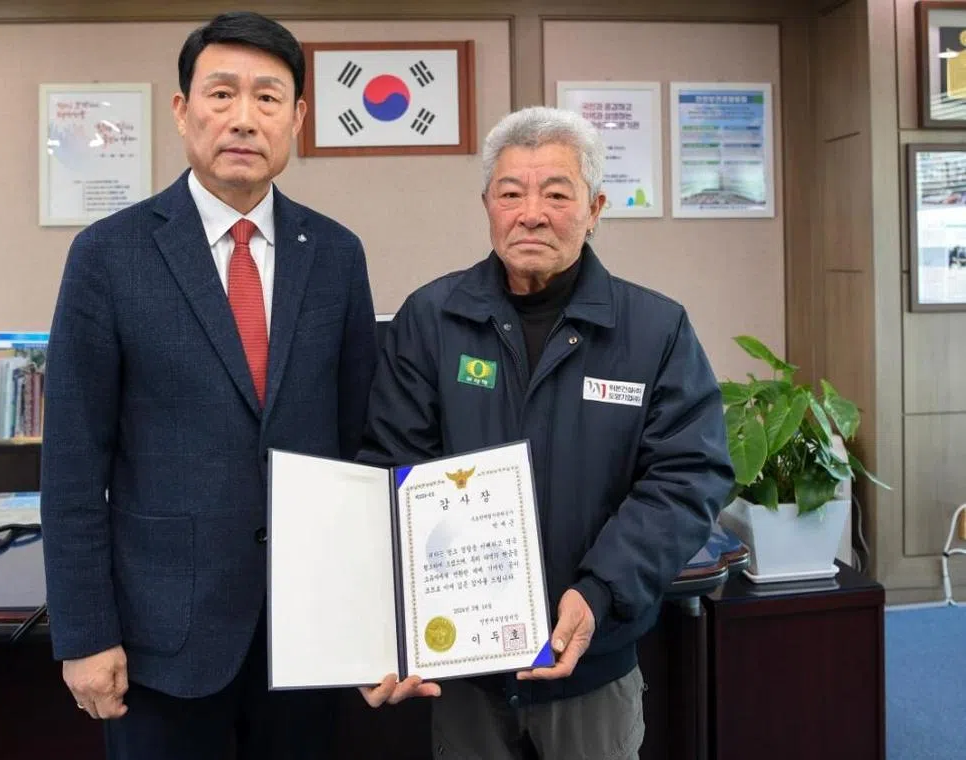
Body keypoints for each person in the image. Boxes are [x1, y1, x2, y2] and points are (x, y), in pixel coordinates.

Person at [39, 11, 377, 760]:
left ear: (296, 118)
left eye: (267, 98)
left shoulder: (336, 255)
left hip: (309, 635)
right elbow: (71, 465)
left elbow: (360, 446)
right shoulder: (108, 255)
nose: (242, 118)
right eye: (221, 94)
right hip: (162, 637)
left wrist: (371, 620)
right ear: (182, 110)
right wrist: (86, 634)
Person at [355, 106, 734, 760]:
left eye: (556, 193)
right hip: (464, 672)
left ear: (595, 207)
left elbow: (688, 477)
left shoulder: (655, 330)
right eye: (511, 193)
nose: (531, 212)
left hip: (592, 659)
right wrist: (387, 624)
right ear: (487, 206)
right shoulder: (431, 320)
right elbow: (393, 470)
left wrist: (600, 590)